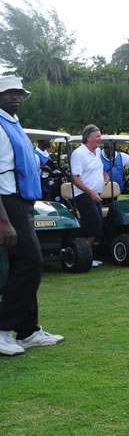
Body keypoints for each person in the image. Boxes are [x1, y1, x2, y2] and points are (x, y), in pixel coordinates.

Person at [0, 76, 64, 356]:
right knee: (32, 262)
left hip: (21, 202)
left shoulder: (13, 124)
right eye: (9, 93)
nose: (16, 97)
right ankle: (3, 328)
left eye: (19, 93)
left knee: (22, 265)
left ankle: (28, 330)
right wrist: (3, 221)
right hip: (7, 202)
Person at [71, 124, 109, 267]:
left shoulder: (97, 151)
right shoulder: (79, 154)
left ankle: (86, 255)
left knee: (97, 225)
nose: (100, 139)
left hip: (95, 194)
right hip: (84, 194)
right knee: (94, 225)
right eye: (97, 136)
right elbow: (75, 178)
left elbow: (97, 168)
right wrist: (91, 193)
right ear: (88, 138)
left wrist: (105, 174)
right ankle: (83, 255)